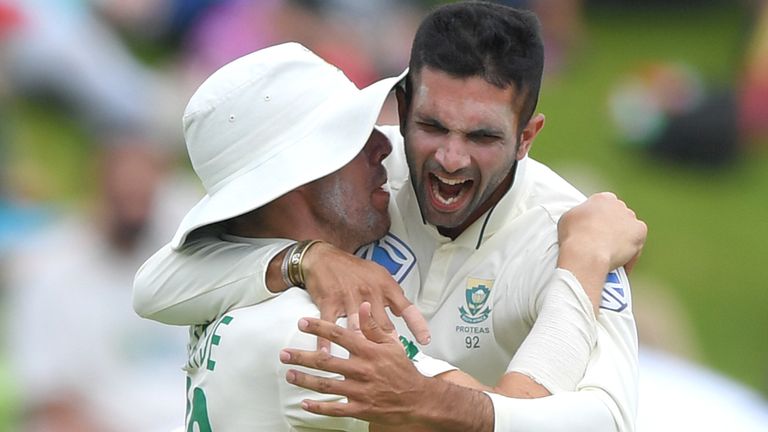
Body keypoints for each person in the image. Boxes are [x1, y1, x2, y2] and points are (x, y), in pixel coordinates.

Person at [134, 2, 646, 431]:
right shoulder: (313, 339)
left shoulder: (557, 226)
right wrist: (583, 263)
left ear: (527, 137)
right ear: (403, 109)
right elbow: (152, 288)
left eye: (482, 136)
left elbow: (611, 421)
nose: (383, 146)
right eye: (428, 125)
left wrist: (299, 259)